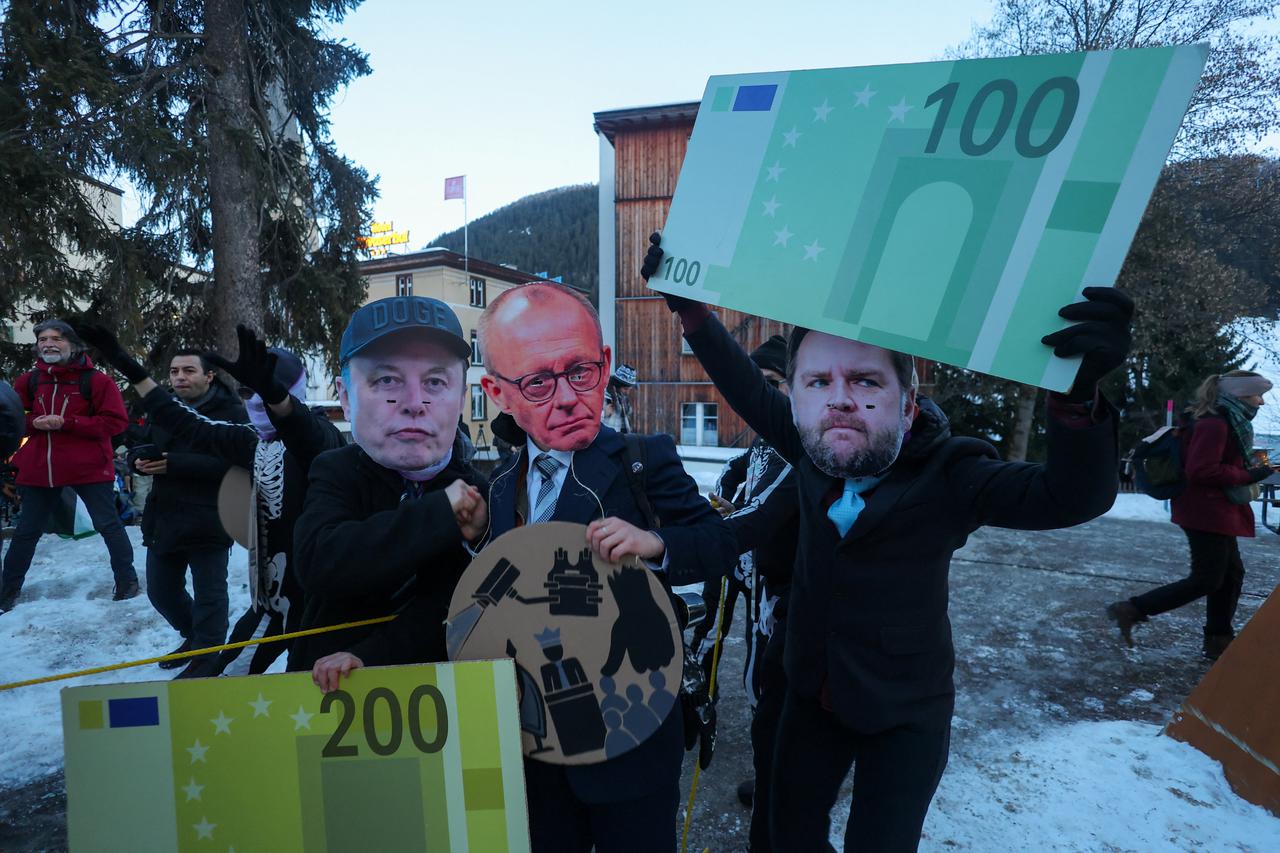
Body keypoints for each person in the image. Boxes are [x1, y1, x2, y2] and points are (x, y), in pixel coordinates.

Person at [643, 233, 1129, 852]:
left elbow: (1071, 496)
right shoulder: (813, 447)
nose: (840, 399)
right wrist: (690, 309)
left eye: (866, 381)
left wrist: (1078, 396)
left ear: (908, 402)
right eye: (818, 382)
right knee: (784, 836)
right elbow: (744, 386)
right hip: (808, 694)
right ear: (797, 399)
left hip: (904, 712)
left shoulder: (951, 474)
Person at [475, 282, 736, 853]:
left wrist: (656, 542)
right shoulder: (500, 484)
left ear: (605, 363)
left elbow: (719, 542)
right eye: (538, 383)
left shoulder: (644, 460)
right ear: (498, 393)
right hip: (537, 744)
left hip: (630, 736)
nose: (568, 398)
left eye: (581, 372)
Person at [77, 323, 343, 674]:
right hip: (272, 605)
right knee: (218, 682)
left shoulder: (324, 438)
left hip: (323, 606)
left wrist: (275, 396)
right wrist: (127, 364)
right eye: (247, 391)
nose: (254, 400)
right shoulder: (252, 441)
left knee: (309, 690)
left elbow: (303, 431)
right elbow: (187, 423)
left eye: (265, 391)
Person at [299, 295, 487, 680]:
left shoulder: (483, 495)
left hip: (447, 695)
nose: (414, 403)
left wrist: (372, 656)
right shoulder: (336, 471)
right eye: (387, 380)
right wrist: (440, 514)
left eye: (435, 382)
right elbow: (322, 561)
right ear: (346, 397)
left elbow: (458, 605)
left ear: (461, 399)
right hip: (321, 698)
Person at [701, 336, 801, 853]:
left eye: (773, 384)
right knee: (753, 674)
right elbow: (736, 479)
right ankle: (770, 778)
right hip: (750, 573)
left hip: (782, 584)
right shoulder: (761, 443)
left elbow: (766, 513)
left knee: (775, 683)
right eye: (757, 384)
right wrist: (724, 496)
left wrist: (719, 527)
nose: (764, 395)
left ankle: (783, 786)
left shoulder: (796, 442)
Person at [1107, 370, 1274, 660]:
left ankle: (1218, 638)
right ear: (1240, 394)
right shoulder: (1215, 424)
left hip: (1216, 508)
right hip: (1204, 510)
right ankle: (1132, 609)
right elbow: (1201, 470)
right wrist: (1250, 474)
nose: (1261, 402)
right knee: (1207, 579)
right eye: (1258, 395)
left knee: (1231, 574)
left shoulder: (1226, 420)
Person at [1, 320, 139, 612]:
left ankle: (127, 581)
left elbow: (116, 423)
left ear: (74, 345)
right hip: (40, 468)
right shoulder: (28, 381)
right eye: (43, 339)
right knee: (26, 531)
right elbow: (12, 419)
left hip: (89, 467)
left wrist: (67, 422)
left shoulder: (97, 381)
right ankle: (7, 591)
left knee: (108, 525)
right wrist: (34, 422)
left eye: (57, 338)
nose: (48, 344)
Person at [128, 350, 247, 677]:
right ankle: (194, 638)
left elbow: (237, 464)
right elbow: (143, 443)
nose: (179, 377)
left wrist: (175, 464)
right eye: (174, 370)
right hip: (164, 517)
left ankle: (206, 659)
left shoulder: (232, 412)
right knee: (161, 592)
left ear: (209, 376)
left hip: (211, 518)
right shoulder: (162, 406)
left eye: (189, 370)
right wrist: (138, 460)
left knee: (210, 596)